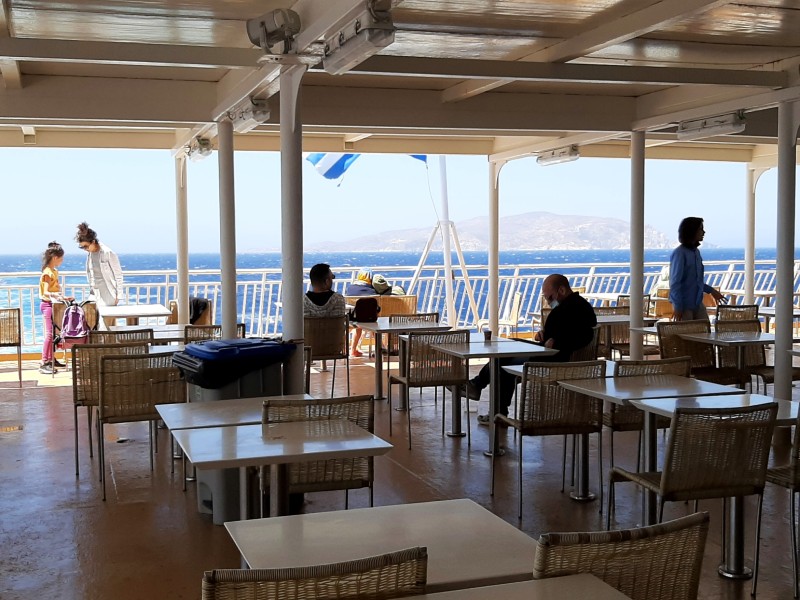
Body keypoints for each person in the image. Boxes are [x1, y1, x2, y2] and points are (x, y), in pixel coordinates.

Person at [463, 274, 597, 424]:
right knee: (509, 346)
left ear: (562, 290)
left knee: (502, 364)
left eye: (550, 298)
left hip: (553, 358)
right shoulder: (570, 306)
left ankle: (481, 390)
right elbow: (561, 331)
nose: (548, 302)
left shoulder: (578, 308)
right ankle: (485, 395)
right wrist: (545, 335)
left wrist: (560, 341)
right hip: (546, 352)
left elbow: (585, 334)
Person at [669, 217, 725, 321]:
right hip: (684, 305)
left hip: (697, 303)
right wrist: (678, 306)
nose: (703, 232)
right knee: (686, 335)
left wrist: (712, 291)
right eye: (700, 229)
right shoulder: (680, 253)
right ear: (692, 231)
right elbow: (675, 283)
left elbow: (695, 281)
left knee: (705, 331)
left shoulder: (696, 253)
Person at [75, 222, 124, 327]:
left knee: (106, 326)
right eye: (82, 248)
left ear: (93, 242)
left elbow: (118, 275)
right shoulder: (90, 255)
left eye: (86, 246)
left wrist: (118, 296)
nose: (85, 249)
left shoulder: (108, 252)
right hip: (94, 293)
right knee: (91, 323)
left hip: (108, 293)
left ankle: (109, 343)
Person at [39, 242, 73, 374]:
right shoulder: (47, 273)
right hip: (47, 305)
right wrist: (55, 295)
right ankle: (44, 362)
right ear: (55, 258)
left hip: (54, 304)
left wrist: (63, 298)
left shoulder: (54, 272)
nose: (62, 261)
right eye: (61, 258)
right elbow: (46, 292)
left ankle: (51, 358)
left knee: (55, 334)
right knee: (49, 334)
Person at [346, 270, 376, 357]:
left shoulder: (350, 289)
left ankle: (353, 349)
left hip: (352, 319)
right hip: (369, 319)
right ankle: (380, 348)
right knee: (374, 325)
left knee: (358, 325)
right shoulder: (371, 291)